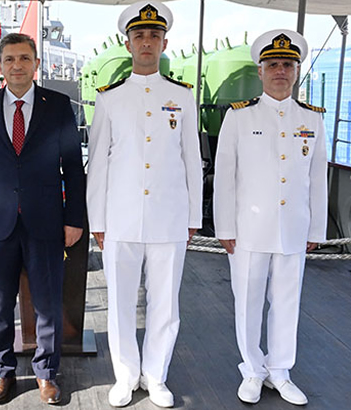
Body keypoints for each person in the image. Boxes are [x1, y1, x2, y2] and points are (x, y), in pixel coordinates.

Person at [86, 1, 203, 407]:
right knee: (120, 304)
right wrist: (97, 220)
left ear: (165, 43)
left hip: (169, 218)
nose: (147, 42)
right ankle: (125, 375)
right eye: (139, 36)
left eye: (154, 35)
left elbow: (192, 160)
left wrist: (193, 216)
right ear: (128, 44)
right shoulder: (110, 98)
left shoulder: (182, 97)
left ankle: (155, 376)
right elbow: (98, 162)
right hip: (120, 217)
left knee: (165, 304)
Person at [0, 33, 85, 405]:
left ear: (36, 64)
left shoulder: (58, 106)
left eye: (24, 58)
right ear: (0, 65)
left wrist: (74, 218)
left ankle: (46, 373)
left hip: (46, 220)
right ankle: (3, 371)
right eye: (10, 59)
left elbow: (73, 167)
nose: (17, 65)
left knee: (47, 302)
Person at [213, 29, 327, 406]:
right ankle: (252, 369)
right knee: (247, 302)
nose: (281, 71)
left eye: (288, 65)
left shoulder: (312, 119)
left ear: (296, 71)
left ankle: (280, 371)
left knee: (287, 302)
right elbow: (225, 176)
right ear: (260, 71)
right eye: (273, 64)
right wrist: (224, 226)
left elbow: (317, 178)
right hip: (248, 229)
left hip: (293, 227)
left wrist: (316, 228)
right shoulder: (240, 116)